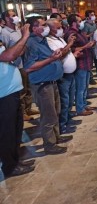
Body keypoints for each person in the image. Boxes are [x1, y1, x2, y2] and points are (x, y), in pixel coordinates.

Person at [24, 16, 73, 155]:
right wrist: (52, 59)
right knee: (48, 115)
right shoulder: (32, 43)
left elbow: (45, 57)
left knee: (55, 111)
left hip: (51, 81)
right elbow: (29, 67)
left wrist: (54, 55)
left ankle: (56, 137)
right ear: (34, 28)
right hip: (42, 84)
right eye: (43, 25)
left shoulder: (43, 40)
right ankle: (49, 144)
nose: (46, 27)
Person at [0, 23, 35, 177]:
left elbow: (15, 53)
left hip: (12, 93)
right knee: (6, 133)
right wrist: (25, 35)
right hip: (3, 96)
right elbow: (9, 56)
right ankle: (9, 166)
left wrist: (22, 42)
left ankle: (15, 160)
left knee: (16, 131)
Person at [1, 10, 37, 121]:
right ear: (7, 19)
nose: (16, 17)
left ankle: (28, 108)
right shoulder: (5, 33)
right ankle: (22, 113)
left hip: (24, 63)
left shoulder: (18, 30)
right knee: (21, 92)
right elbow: (6, 52)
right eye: (13, 15)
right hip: (15, 65)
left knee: (27, 88)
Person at [46, 19, 79, 134]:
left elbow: (67, 51)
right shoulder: (49, 41)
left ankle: (68, 120)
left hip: (70, 74)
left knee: (70, 100)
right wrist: (69, 44)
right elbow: (59, 55)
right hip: (63, 76)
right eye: (58, 27)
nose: (61, 29)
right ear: (50, 29)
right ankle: (62, 125)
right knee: (64, 102)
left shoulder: (59, 38)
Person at [64, 14, 96, 116]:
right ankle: (80, 108)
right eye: (79, 21)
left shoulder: (79, 32)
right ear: (74, 22)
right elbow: (70, 49)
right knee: (80, 87)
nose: (81, 23)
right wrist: (85, 46)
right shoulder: (71, 34)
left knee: (85, 86)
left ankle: (83, 104)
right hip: (80, 64)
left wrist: (90, 44)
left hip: (86, 62)